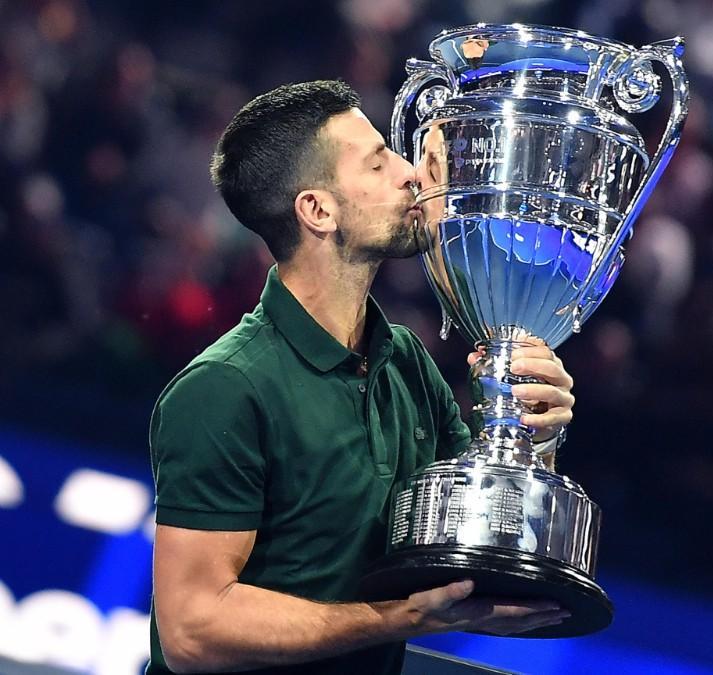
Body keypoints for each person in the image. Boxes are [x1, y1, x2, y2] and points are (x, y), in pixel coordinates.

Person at [147, 80, 576, 674]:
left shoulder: (404, 360)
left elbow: (480, 542)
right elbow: (193, 631)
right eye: (378, 162)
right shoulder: (223, 388)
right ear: (317, 210)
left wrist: (531, 431)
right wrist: (401, 619)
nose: (410, 174)